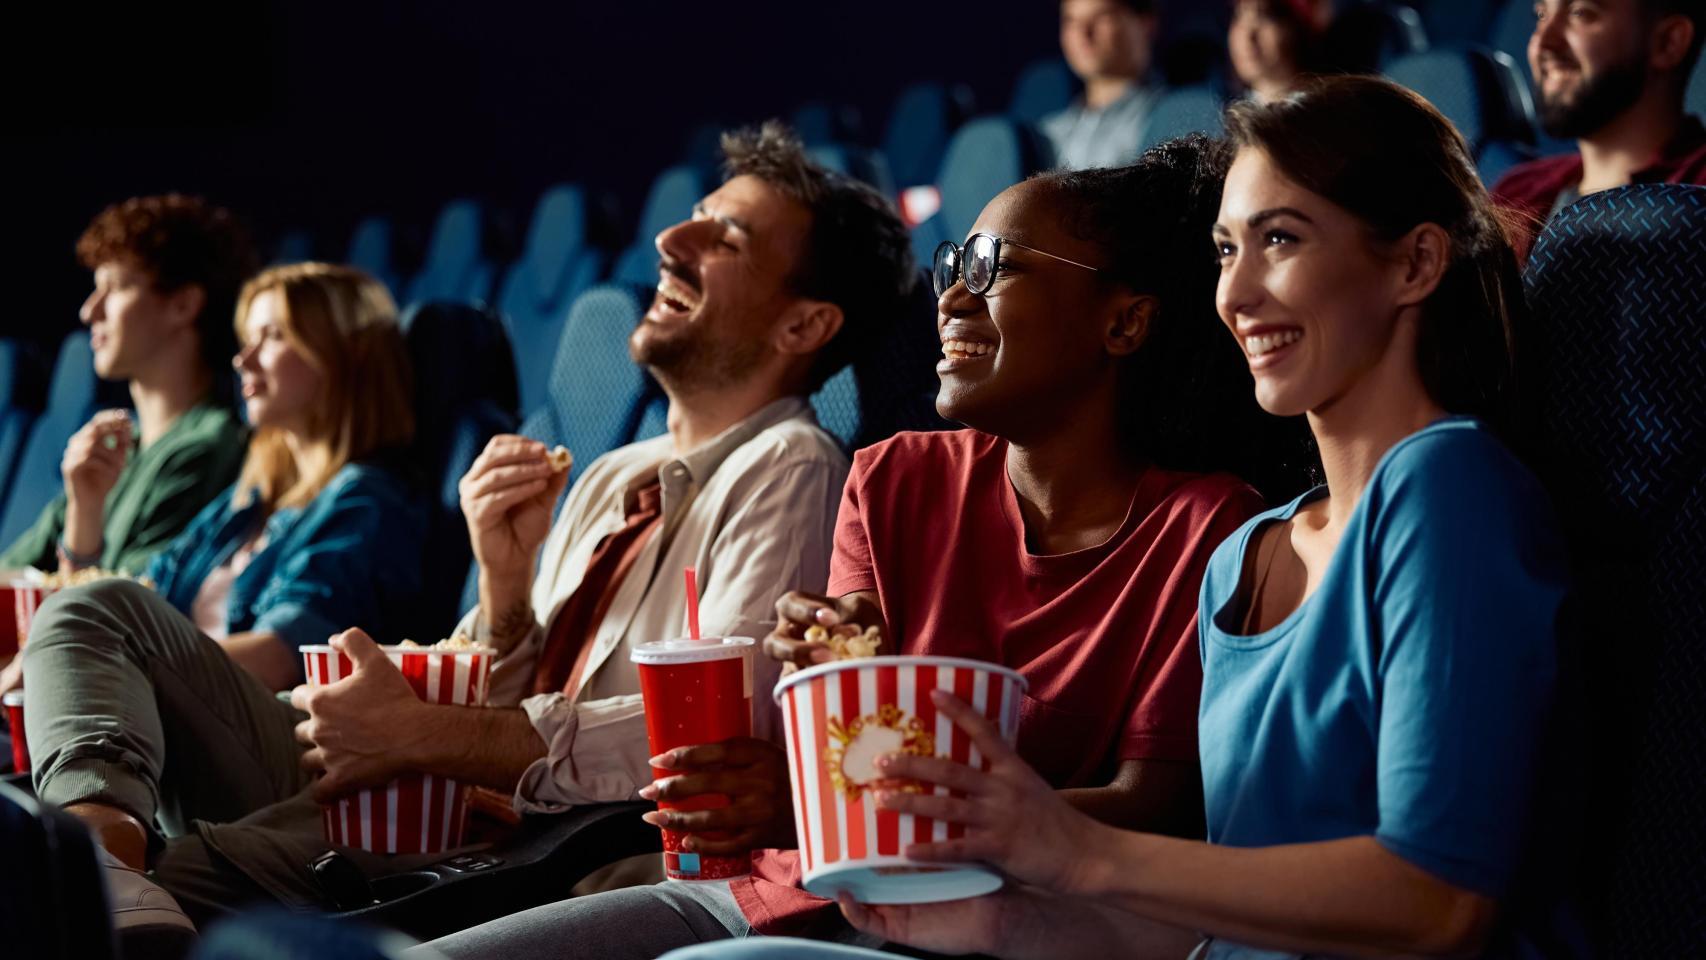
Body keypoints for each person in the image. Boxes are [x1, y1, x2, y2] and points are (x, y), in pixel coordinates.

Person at [675, 75, 1580, 960]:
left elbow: (1437, 903)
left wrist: (1072, 848)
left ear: (1416, 263)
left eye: (1281, 239)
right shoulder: (1247, 554)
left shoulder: (1443, 486)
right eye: (1226, 251)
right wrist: (1001, 925)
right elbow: (1227, 914)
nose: (1239, 293)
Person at [419, 134, 1315, 960]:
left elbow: (1145, 810)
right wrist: (832, 677)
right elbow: (853, 719)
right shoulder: (890, 479)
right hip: (778, 891)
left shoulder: (1206, 528)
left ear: (1124, 323)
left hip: (991, 923)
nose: (955, 293)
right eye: (950, 263)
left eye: (993, 265)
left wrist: (828, 801)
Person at [39, 123, 917, 934]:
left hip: (518, 835)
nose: (669, 244)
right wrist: (502, 592)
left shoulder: (792, 465)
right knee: (94, 613)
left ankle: (106, 883)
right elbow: (495, 691)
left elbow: (711, 741)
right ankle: (103, 849)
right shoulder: (615, 470)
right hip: (435, 786)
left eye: (725, 240)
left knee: (156, 890)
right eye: (691, 221)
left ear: (803, 323)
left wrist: (421, 734)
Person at [20, 262, 424, 932]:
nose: (243, 357)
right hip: (192, 751)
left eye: (273, 337)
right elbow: (138, 604)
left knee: (94, 614)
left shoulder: (367, 499)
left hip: (298, 749)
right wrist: (84, 522)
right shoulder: (245, 505)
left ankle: (96, 859)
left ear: (344, 353)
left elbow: (279, 652)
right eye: (246, 337)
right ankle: (88, 846)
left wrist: (89, 649)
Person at [0, 194, 253, 578]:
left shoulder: (211, 446)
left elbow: (126, 612)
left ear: (183, 305)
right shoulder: (119, 447)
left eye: (115, 287)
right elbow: (12, 572)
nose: (90, 311)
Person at [1493, 0, 1706, 259]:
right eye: (1541, 14)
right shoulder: (1514, 193)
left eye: (1580, 13)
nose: (1543, 43)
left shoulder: (1697, 199)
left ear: (1668, 42)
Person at [1041, 0, 1162, 169]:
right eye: (1071, 21)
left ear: (1146, 23)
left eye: (1103, 17)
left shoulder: (1172, 122)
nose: (1083, 34)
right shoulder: (1048, 133)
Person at [1227, 0, 1330, 103]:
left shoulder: (1326, 109)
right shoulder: (1226, 113)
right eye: (1238, 16)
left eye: (1265, 17)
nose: (1247, 36)